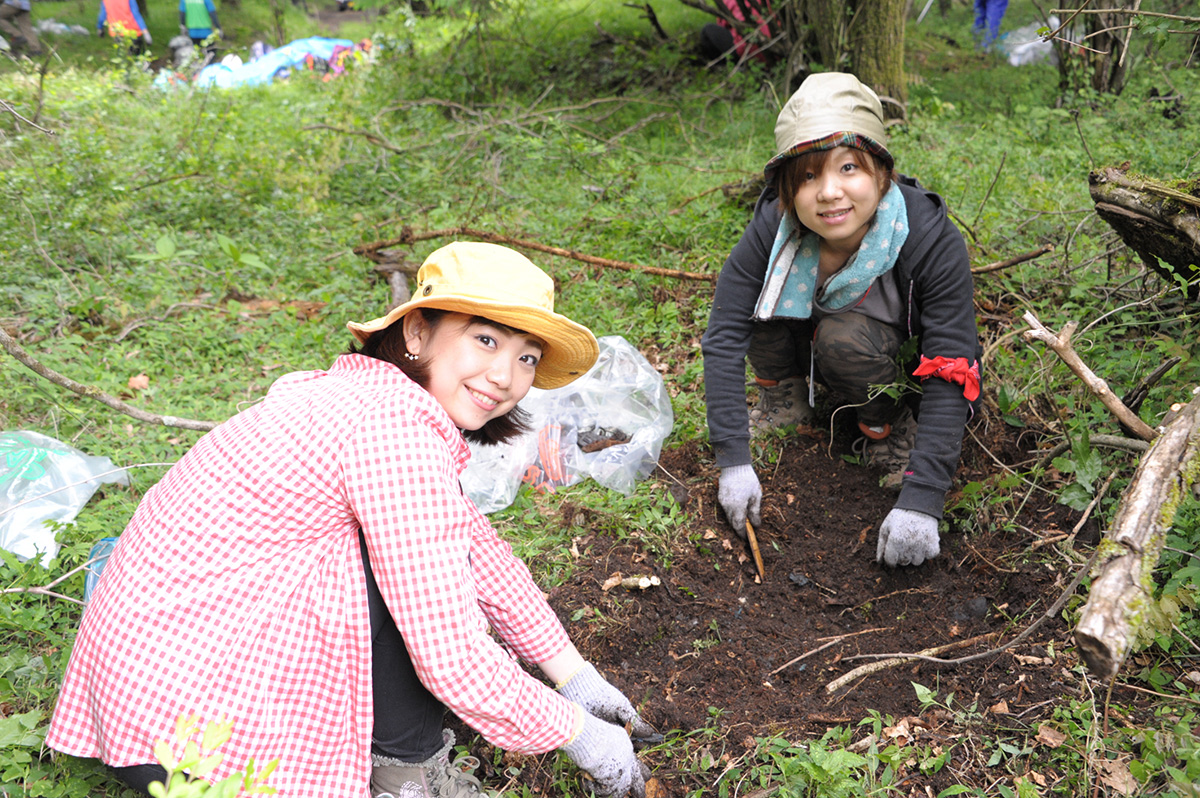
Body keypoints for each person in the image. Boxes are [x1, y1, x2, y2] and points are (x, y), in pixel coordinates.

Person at [46, 242, 653, 798]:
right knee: (419, 589)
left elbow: (475, 545)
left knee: (417, 557)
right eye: (486, 340)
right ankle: (407, 779)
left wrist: (573, 675)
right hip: (191, 738)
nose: (505, 376)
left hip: (141, 696)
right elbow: (452, 654)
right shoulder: (392, 430)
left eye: (526, 357)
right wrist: (582, 736)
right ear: (417, 331)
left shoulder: (365, 398)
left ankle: (395, 765)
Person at [701, 72, 981, 568]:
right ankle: (788, 400)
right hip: (812, 346)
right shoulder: (775, 227)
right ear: (788, 188)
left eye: (848, 167)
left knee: (843, 336)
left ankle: (887, 430)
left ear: (881, 173)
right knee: (761, 300)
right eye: (808, 176)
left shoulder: (928, 237)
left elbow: (952, 364)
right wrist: (733, 461)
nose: (829, 192)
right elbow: (725, 334)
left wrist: (923, 500)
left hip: (895, 366)